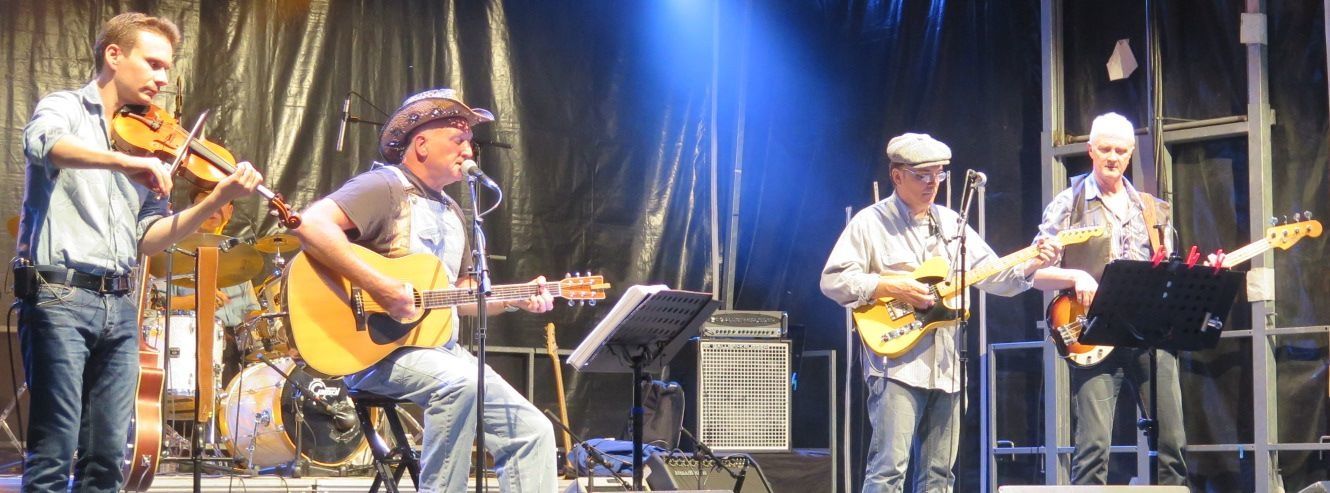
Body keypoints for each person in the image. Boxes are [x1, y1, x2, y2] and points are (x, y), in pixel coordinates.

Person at [14, 12, 263, 492]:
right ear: (114, 55)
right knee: (54, 449)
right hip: (60, 296)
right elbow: (43, 144)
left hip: (119, 304)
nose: (163, 78)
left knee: (108, 457)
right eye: (153, 63)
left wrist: (216, 199)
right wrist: (124, 161)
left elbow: (148, 237)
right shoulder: (65, 107)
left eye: (167, 66)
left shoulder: (147, 137)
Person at [293, 88, 557, 493]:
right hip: (377, 352)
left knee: (533, 431)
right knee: (461, 384)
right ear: (421, 145)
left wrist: (514, 300)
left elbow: (462, 295)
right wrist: (381, 287)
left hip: (442, 351)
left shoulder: (453, 211)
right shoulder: (383, 187)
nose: (469, 150)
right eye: (458, 139)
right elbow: (310, 224)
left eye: (470, 141)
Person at [821, 133, 1059, 492]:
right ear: (897, 175)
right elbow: (833, 280)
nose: (933, 183)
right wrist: (891, 286)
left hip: (947, 368)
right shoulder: (870, 222)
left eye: (939, 174)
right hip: (896, 365)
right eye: (923, 175)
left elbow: (994, 276)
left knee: (940, 476)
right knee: (888, 471)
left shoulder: (952, 224)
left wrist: (1033, 263)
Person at [1031, 112, 1185, 485]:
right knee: (1093, 448)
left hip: (1147, 335)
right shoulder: (1068, 203)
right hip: (1093, 333)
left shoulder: (1152, 209)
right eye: (1105, 149)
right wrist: (1075, 275)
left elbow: (1168, 272)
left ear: (1131, 153)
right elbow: (1033, 273)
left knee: (1173, 444)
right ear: (1090, 150)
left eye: (1120, 150)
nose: (1112, 157)